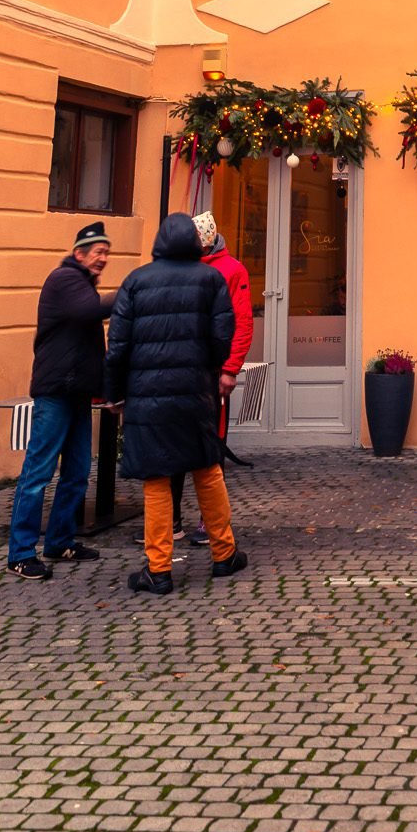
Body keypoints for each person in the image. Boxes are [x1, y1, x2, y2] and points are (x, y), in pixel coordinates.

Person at [104, 211, 246, 596]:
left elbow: (117, 346)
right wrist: (212, 371)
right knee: (207, 471)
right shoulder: (210, 279)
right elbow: (223, 335)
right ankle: (224, 553)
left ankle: (159, 569)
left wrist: (114, 394)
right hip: (196, 394)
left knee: (156, 480)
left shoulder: (136, 281)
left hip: (147, 398)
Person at [6, 220, 115, 580]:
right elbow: (91, 310)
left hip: (77, 393)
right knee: (38, 472)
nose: (103, 258)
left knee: (77, 472)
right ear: (79, 254)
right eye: (98, 252)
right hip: (56, 393)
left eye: (106, 253)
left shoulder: (81, 284)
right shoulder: (65, 279)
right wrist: (133, 290)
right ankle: (20, 553)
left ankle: (59, 541)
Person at [171, 210, 254, 548]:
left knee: (212, 444)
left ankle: (210, 522)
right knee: (175, 443)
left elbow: (243, 321)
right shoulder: (182, 267)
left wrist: (231, 368)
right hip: (181, 370)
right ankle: (172, 520)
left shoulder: (232, 270)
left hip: (212, 373)